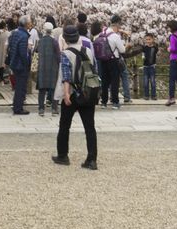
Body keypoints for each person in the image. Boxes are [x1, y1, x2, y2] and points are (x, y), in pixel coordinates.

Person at [52, 24, 98, 169]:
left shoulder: (66, 53)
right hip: (87, 92)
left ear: (65, 38)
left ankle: (62, 155)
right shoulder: (88, 51)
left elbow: (66, 77)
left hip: (72, 93)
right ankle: (91, 159)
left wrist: (65, 94)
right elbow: (94, 69)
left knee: (65, 125)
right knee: (90, 127)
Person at [95, 15, 126, 110]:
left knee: (105, 81)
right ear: (117, 25)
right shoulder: (115, 36)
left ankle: (103, 102)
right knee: (114, 81)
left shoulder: (101, 34)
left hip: (103, 60)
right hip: (113, 60)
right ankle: (115, 102)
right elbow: (122, 50)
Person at [7, 16, 31, 115]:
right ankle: (18, 108)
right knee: (21, 87)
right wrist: (27, 64)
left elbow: (10, 48)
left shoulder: (14, 33)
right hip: (21, 65)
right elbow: (22, 53)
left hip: (14, 63)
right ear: (26, 24)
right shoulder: (24, 36)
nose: (31, 24)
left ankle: (16, 105)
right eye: (30, 22)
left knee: (18, 87)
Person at [36, 21, 60, 115]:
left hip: (42, 66)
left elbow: (36, 52)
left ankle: (41, 109)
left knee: (42, 89)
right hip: (53, 67)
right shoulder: (54, 42)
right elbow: (58, 56)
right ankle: (54, 109)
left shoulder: (40, 41)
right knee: (53, 89)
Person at [139, 32, 159, 101]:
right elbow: (143, 54)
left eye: (149, 39)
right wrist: (143, 57)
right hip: (145, 67)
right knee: (145, 81)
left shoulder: (155, 48)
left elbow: (157, 54)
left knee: (153, 81)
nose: (148, 41)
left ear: (152, 39)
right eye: (146, 39)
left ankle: (154, 95)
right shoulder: (144, 48)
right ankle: (146, 95)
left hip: (152, 67)